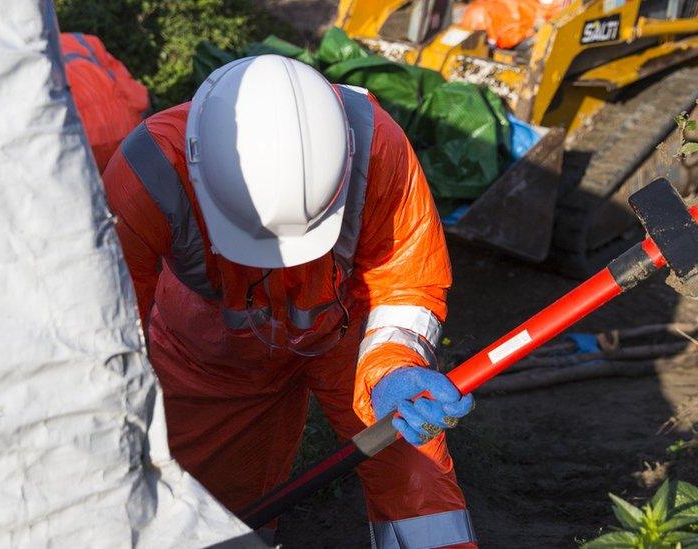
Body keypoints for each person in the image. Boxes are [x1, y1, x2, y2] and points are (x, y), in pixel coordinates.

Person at [102, 54, 477, 548]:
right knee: (212, 510)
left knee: (416, 473)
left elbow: (407, 280)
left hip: (351, 328)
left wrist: (395, 364)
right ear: (196, 165)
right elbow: (108, 332)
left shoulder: (376, 147)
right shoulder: (147, 172)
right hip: (212, 348)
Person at [60, 32, 149, 173]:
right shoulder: (83, 40)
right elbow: (136, 95)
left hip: (80, 143)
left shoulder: (24, 57)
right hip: (128, 130)